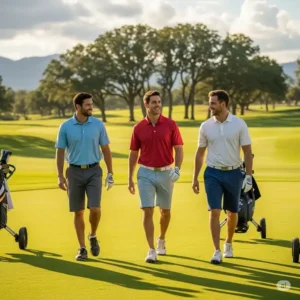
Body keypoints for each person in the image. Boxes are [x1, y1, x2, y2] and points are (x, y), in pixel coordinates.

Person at [192, 90, 253, 264]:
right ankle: (216, 251)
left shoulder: (239, 124)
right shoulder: (205, 126)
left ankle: (228, 243)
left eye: (212, 103)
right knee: (214, 211)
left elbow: (248, 152)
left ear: (223, 104)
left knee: (232, 212)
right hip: (212, 173)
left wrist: (248, 176)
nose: (210, 106)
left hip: (234, 173)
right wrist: (195, 177)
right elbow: (200, 152)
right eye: (209, 103)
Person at [55, 92, 114, 261]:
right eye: (87, 105)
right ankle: (82, 248)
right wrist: (60, 175)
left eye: (91, 104)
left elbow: (106, 149)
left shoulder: (98, 124)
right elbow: (59, 152)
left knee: (95, 209)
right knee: (78, 212)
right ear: (78, 107)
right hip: (73, 172)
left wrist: (110, 172)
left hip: (94, 170)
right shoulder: (65, 127)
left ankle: (93, 235)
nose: (91, 107)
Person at [128, 90, 184, 263]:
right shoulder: (138, 128)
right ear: (146, 104)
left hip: (166, 172)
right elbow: (133, 153)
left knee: (165, 211)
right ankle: (151, 249)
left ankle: (161, 239)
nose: (158, 105)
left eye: (159, 102)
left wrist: (177, 168)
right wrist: (130, 177)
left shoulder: (170, 125)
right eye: (154, 102)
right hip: (145, 172)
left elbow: (179, 148)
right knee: (147, 210)